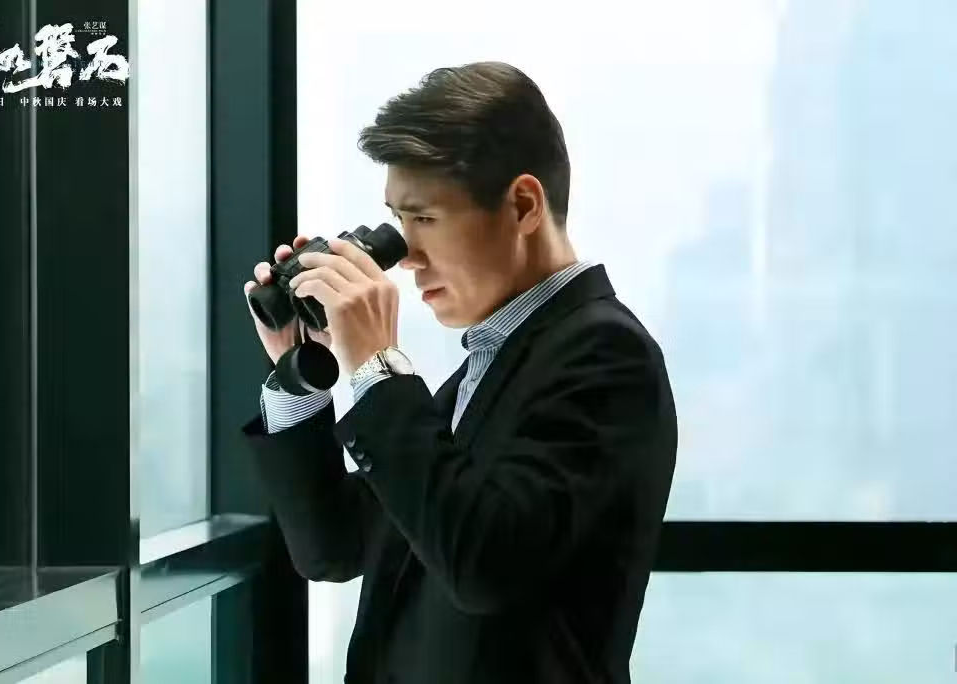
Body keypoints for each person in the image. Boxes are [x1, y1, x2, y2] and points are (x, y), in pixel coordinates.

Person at [240, 61, 677, 684]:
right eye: (396, 222)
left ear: (523, 205)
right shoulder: (487, 368)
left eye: (424, 219)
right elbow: (334, 547)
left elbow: (483, 563)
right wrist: (298, 371)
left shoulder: (605, 354)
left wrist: (377, 362)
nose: (406, 256)